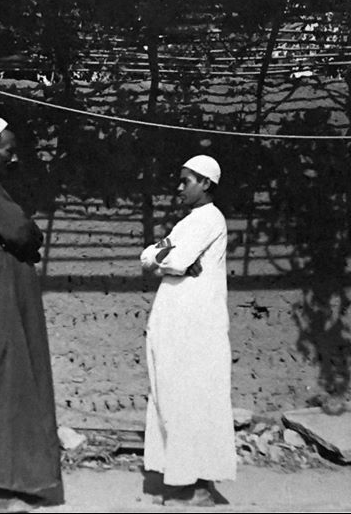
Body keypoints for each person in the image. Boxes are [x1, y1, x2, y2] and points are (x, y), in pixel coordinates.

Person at [0, 114, 64, 513]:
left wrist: (25, 234)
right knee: (7, 383)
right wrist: (28, 233)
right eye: (9, 150)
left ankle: (15, 479)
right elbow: (23, 233)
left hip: (8, 297)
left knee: (17, 383)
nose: (14, 157)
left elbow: (21, 234)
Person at [139, 155, 237, 507]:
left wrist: (169, 258)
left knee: (192, 398)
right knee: (171, 395)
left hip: (196, 324)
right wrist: (166, 257)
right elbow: (149, 256)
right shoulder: (187, 223)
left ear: (205, 184)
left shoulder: (209, 220)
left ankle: (193, 486)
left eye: (186, 181)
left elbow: (173, 260)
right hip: (174, 320)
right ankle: (177, 479)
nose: (179, 188)